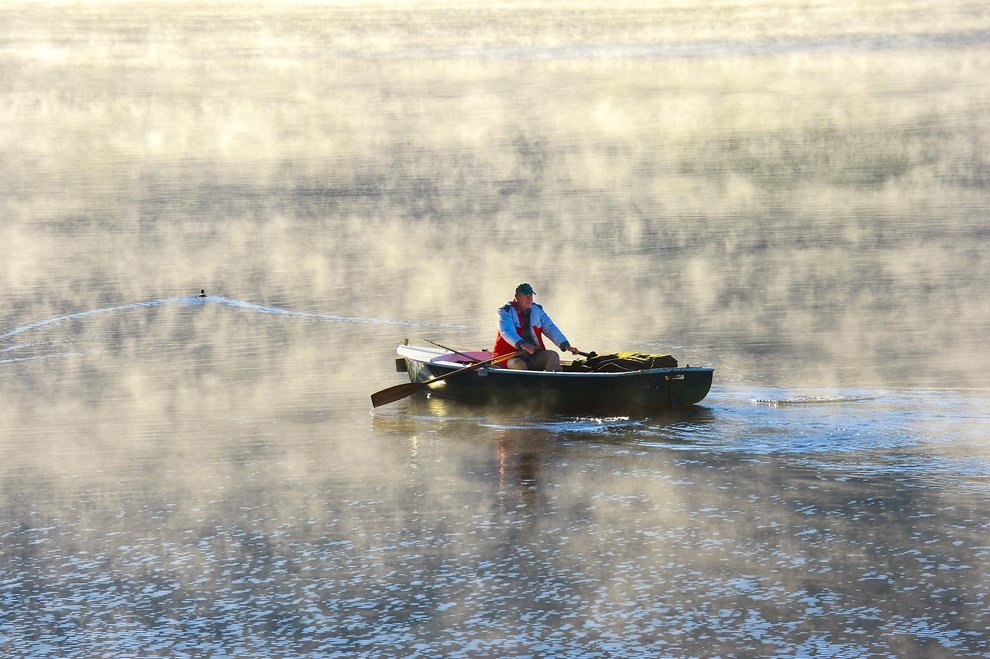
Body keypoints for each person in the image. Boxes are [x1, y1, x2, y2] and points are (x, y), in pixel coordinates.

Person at [492, 283, 581, 371]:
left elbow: (550, 328)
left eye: (531, 295)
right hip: (509, 357)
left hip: (533, 355)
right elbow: (507, 331)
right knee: (519, 365)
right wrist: (523, 344)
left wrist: (566, 345)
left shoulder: (537, 310)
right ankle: (527, 384)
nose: (529, 298)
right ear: (517, 296)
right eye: (526, 295)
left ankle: (555, 382)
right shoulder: (505, 311)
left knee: (553, 356)